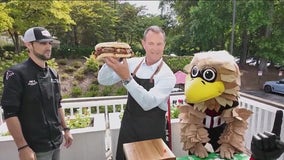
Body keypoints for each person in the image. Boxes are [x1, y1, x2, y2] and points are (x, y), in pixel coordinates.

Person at [98, 25, 176, 160]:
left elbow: (148, 103)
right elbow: (104, 80)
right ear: (143, 44)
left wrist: (127, 78)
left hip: (152, 132)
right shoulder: (132, 63)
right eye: (151, 43)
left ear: (164, 45)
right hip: (129, 127)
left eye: (159, 44)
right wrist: (111, 60)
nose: (155, 48)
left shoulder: (167, 75)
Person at [1, 27, 73, 160]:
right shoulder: (16, 74)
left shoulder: (53, 73)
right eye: (42, 43)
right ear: (28, 45)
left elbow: (57, 104)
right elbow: (10, 113)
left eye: (49, 43)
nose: (48, 47)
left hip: (56, 143)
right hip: (34, 149)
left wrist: (66, 129)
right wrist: (22, 147)